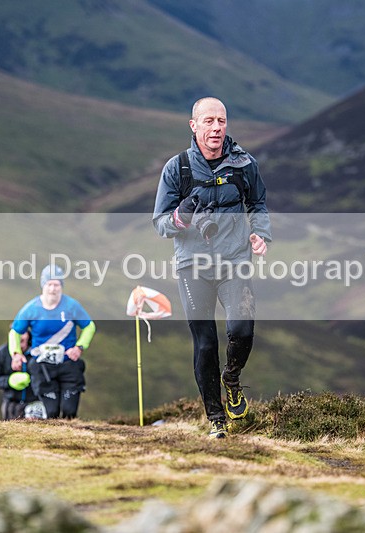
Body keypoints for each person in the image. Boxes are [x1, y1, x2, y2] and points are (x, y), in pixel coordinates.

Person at [152, 97, 272, 438]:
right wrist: (181, 217)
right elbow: (160, 223)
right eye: (208, 121)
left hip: (235, 260)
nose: (216, 127)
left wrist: (260, 234)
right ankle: (217, 419)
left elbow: (258, 202)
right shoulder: (177, 168)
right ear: (194, 126)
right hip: (193, 265)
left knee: (242, 329)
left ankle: (231, 379)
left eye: (221, 120)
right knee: (205, 344)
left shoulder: (244, 163)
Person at [9, 265, 96, 419]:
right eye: (49, 284)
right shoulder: (31, 309)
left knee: (69, 411)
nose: (53, 289)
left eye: (56, 284)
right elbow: (15, 332)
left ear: (61, 286)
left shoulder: (71, 306)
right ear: (43, 285)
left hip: (68, 364)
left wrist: (79, 347)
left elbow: (89, 326)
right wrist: (16, 353)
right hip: (43, 367)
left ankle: (71, 433)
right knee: (51, 413)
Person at [0, 329, 42, 420]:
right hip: (11, 404)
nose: (19, 336)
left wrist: (33, 380)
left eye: (23, 332)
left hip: (35, 403)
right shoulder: (2, 353)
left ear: (28, 335)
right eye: (16, 333)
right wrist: (9, 381)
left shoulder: (37, 352)